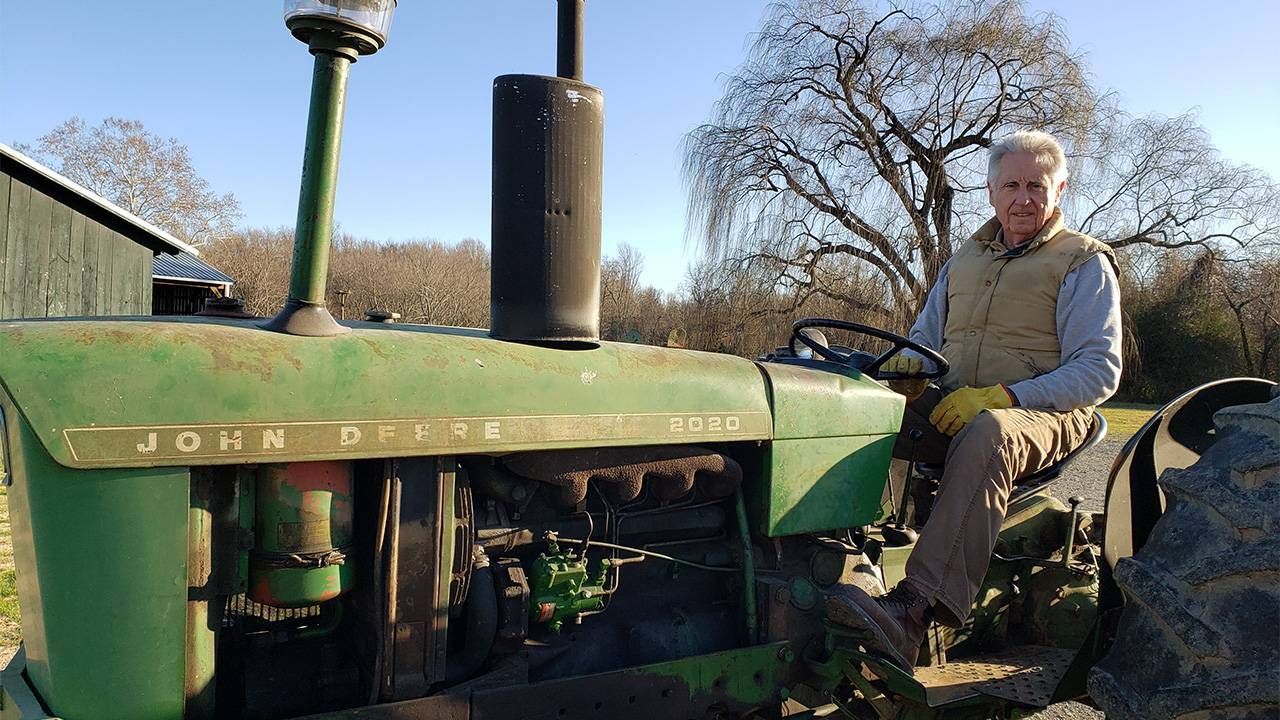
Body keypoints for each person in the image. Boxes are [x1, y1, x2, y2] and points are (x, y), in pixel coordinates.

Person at [826, 130, 1123, 672]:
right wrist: (906, 372)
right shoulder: (964, 259)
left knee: (990, 432)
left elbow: (1099, 371)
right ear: (990, 191)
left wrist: (1005, 396)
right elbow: (922, 341)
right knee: (842, 397)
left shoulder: (1082, 261)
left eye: (1037, 185)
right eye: (1012, 184)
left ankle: (912, 612)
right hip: (959, 400)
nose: (1024, 198)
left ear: (1060, 190)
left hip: (1045, 414)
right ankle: (817, 556)